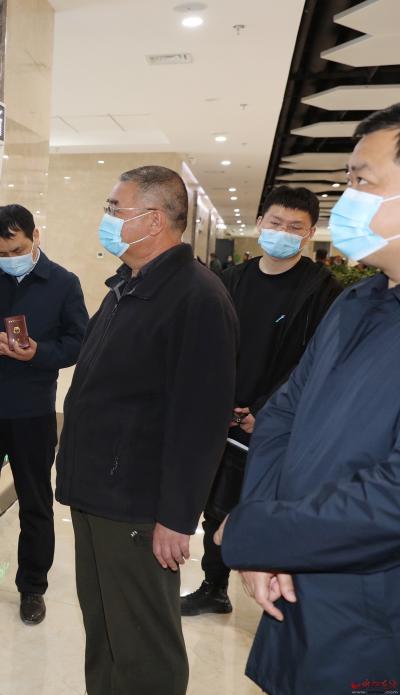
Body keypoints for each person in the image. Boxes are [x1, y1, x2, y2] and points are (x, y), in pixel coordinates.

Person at [217, 103, 400, 694]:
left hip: (374, 616)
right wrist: (268, 534)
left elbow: (392, 500)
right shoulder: (358, 302)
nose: (348, 199)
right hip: (296, 586)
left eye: (362, 181)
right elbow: (284, 415)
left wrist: (261, 533)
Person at [56, 165, 238, 695]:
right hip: (97, 493)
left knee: (143, 644)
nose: (107, 218)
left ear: (154, 220)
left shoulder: (197, 298)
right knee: (105, 630)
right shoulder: (127, 286)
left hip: (137, 503)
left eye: (116, 209)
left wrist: (177, 518)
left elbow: (200, 421)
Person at [181, 186, 341, 616]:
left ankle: (275, 588)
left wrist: (268, 410)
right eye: (276, 223)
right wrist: (218, 400)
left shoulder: (323, 290)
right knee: (216, 504)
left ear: (309, 234)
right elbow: (207, 345)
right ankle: (214, 587)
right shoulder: (231, 280)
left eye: (295, 227)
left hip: (280, 419)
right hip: (223, 412)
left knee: (262, 504)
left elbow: (316, 360)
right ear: (259, 224)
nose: (283, 232)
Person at [0, 204, 87, 625]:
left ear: (35, 236)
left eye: (16, 249)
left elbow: (78, 342)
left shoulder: (63, 283)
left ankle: (32, 586)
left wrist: (39, 353)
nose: (8, 258)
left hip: (32, 412)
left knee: (35, 502)